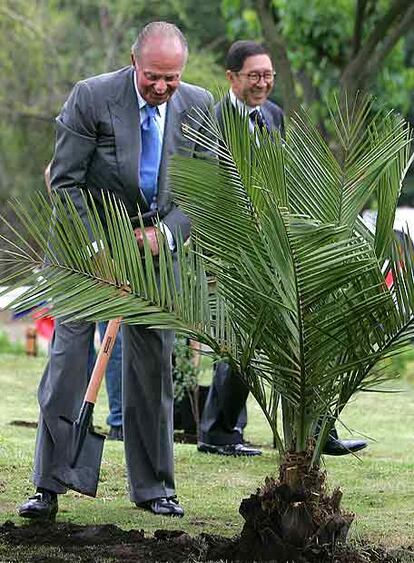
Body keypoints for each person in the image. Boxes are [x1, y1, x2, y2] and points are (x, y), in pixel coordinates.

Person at [18, 21, 214, 520]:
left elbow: (204, 189)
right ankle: (49, 485)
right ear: (134, 63)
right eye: (153, 76)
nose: (163, 87)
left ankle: (154, 489)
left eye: (172, 78)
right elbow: (65, 182)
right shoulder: (91, 97)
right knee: (68, 361)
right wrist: (103, 248)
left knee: (153, 369)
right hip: (86, 251)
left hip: (155, 252)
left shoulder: (198, 105)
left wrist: (164, 234)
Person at [197, 40, 368, 458]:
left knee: (304, 335)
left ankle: (317, 434)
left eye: (268, 75)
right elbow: (201, 191)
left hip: (278, 245)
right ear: (232, 77)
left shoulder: (273, 116)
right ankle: (218, 434)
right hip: (233, 248)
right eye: (254, 75)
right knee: (242, 342)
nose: (263, 83)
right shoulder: (210, 121)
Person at [45, 162, 124, 441]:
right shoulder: (80, 133)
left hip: (110, 254)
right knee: (74, 350)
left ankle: (119, 420)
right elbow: (52, 175)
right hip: (76, 257)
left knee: (114, 342)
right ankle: (71, 421)